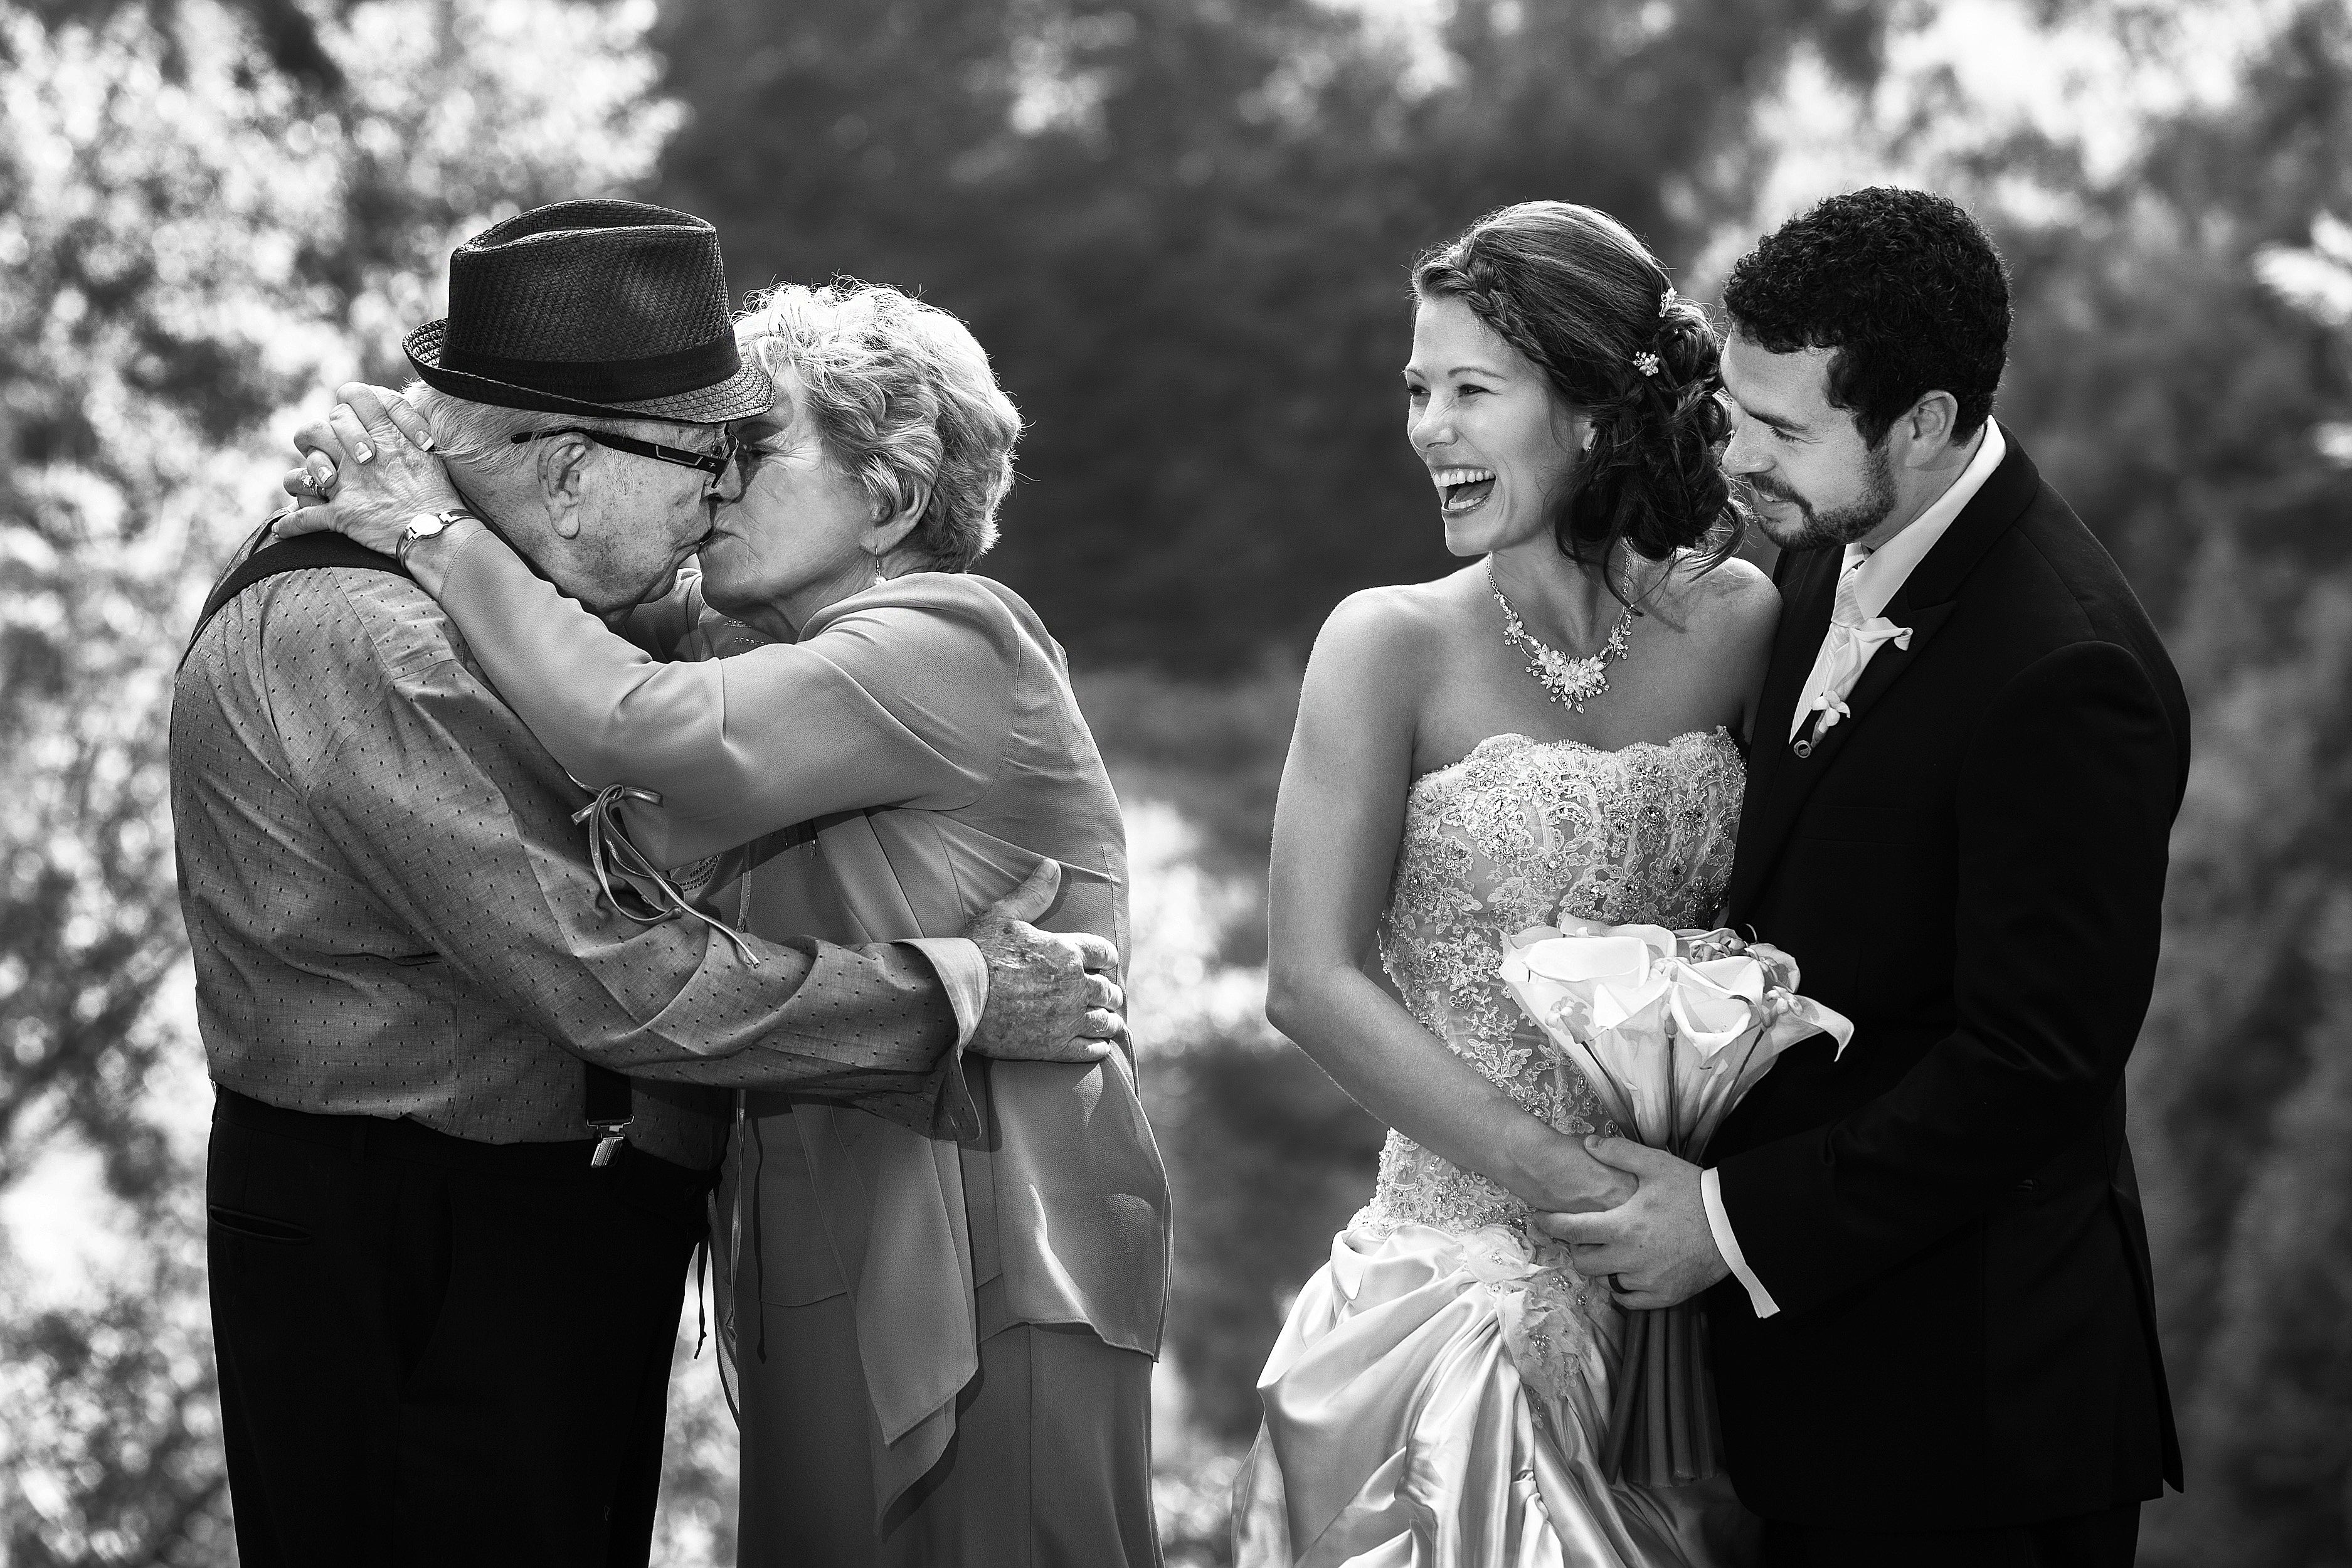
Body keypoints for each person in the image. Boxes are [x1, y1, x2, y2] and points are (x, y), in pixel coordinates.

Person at [174, 203, 1123, 1568]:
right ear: (569, 471)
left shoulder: (566, 601)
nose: (713, 499)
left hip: (603, 1232)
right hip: (425, 1241)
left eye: (748, 454)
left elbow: (647, 692)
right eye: (701, 458)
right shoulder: (371, 635)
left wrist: (436, 511)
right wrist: (953, 994)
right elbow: (608, 976)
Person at [1544, 188, 2187, 1568]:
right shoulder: (1825, 538)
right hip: (1804, 1403)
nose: (1740, 459)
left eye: (1785, 432)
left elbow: (2032, 1066)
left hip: (1971, 1425)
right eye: (1737, 412)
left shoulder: (2070, 670)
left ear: (1926, 423)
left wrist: (1722, 1225)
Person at [1233, 201, 1778, 1565]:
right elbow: (1309, 982)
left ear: (1592, 412)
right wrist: (1573, 1189)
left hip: (1692, 1299)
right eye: (1418, 390)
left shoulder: (1741, 622)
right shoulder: (1385, 645)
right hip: (1455, 1308)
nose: (1430, 428)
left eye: (1472, 391)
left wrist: (1688, 1223)